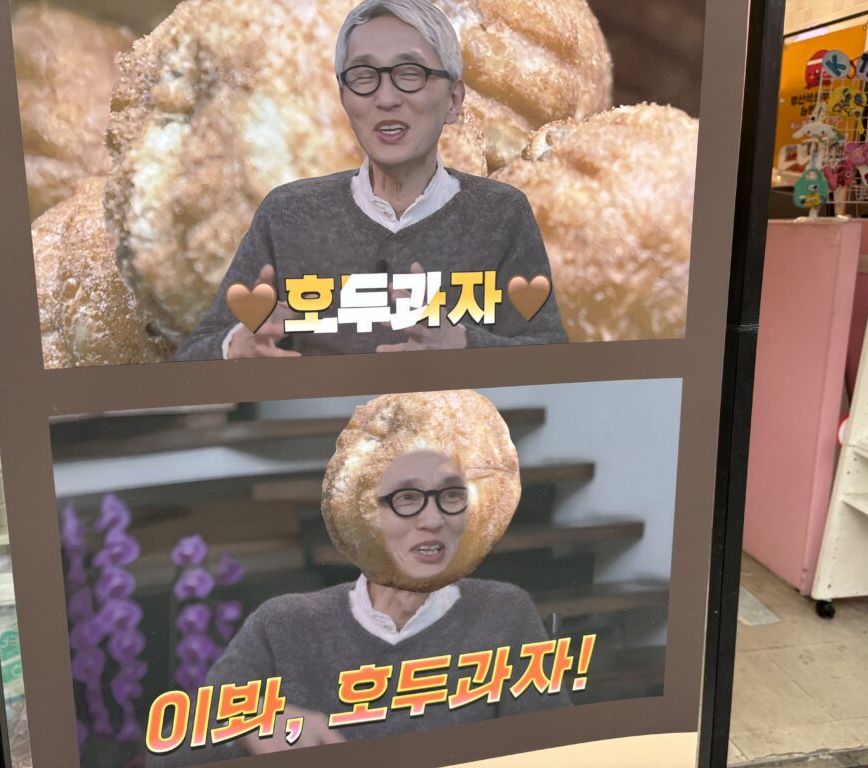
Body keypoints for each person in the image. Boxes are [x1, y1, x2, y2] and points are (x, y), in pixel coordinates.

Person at [148, 391, 570, 765]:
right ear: (366, 512)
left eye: (451, 495)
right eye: (407, 498)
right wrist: (250, 723)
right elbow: (167, 751)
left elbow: (560, 751)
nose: (433, 519)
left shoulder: (503, 612)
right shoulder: (283, 625)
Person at [172, 0, 566, 361]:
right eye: (363, 77)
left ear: (454, 100)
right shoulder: (287, 213)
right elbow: (186, 359)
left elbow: (553, 354)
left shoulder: (501, 212)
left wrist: (465, 345)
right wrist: (233, 348)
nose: (386, 98)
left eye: (410, 74)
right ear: (344, 98)